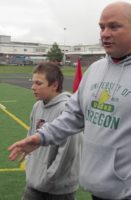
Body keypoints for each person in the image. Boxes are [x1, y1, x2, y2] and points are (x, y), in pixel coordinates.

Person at [9, 2, 131, 200]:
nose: (105, 33)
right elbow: (73, 115)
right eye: (102, 27)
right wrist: (41, 137)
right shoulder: (96, 70)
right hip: (98, 193)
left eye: (114, 26)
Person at [21, 62, 82, 200]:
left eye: (38, 83)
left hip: (58, 191)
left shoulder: (67, 110)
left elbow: (68, 153)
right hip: (34, 183)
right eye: (33, 82)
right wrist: (31, 166)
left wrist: (47, 179)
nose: (33, 87)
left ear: (54, 85)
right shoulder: (37, 106)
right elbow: (31, 136)